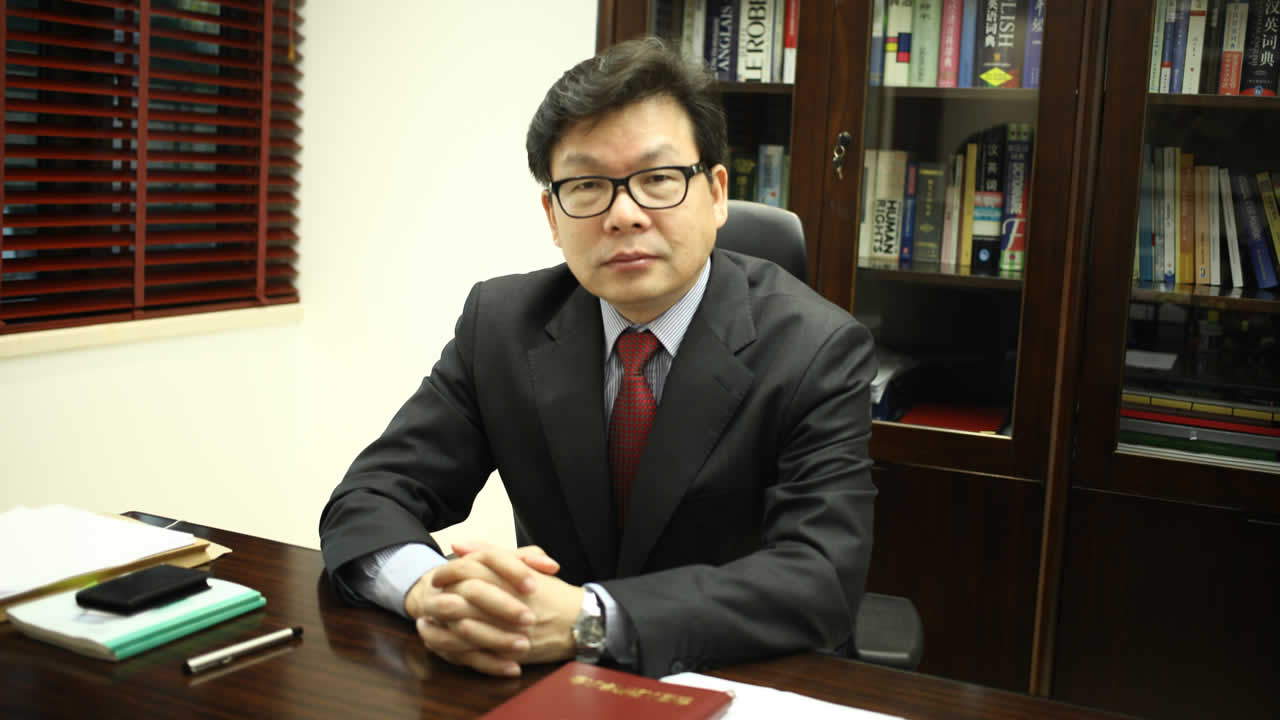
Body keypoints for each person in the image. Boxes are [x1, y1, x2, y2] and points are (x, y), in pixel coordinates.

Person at [319, 37, 877, 680]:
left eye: (658, 179)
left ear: (717, 193)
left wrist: (591, 619)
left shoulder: (816, 348)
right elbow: (369, 496)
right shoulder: (501, 325)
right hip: (543, 681)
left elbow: (820, 577)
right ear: (553, 216)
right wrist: (432, 592)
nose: (624, 214)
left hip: (741, 678)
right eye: (587, 186)